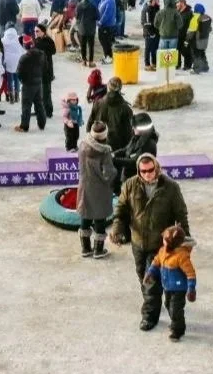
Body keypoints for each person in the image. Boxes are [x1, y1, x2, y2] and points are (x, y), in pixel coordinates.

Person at [110, 153, 190, 331]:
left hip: (161, 245)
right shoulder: (130, 185)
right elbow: (121, 209)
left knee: (151, 280)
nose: (147, 174)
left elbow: (181, 215)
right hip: (138, 242)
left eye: (150, 170)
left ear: (157, 168)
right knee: (143, 277)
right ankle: (154, 301)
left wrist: (184, 239)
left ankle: (149, 316)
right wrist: (117, 228)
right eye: (143, 171)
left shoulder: (170, 187)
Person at [143, 224, 197, 341]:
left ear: (173, 242)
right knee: (168, 305)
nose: (163, 241)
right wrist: (150, 273)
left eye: (165, 240)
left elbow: (190, 274)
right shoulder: (162, 251)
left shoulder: (181, 256)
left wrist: (191, 289)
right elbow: (156, 261)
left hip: (179, 288)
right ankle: (175, 321)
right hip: (167, 286)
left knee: (175, 308)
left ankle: (178, 330)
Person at [77, 121, 116, 259]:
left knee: (85, 216)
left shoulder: (82, 145)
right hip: (100, 190)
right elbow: (109, 173)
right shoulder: (105, 152)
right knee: (100, 218)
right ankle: (98, 250)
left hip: (84, 186)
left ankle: (85, 248)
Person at [86, 76, 134, 153]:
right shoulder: (126, 108)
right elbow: (128, 133)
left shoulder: (98, 103)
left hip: (98, 144)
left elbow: (89, 125)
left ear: (108, 87)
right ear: (120, 89)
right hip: (118, 148)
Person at [14, 35, 46, 132]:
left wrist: (23, 80)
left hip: (28, 84)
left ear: (24, 46)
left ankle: (24, 126)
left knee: (26, 105)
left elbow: (18, 72)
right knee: (39, 104)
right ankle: (42, 124)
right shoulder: (41, 54)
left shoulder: (24, 58)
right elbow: (45, 67)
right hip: (38, 82)